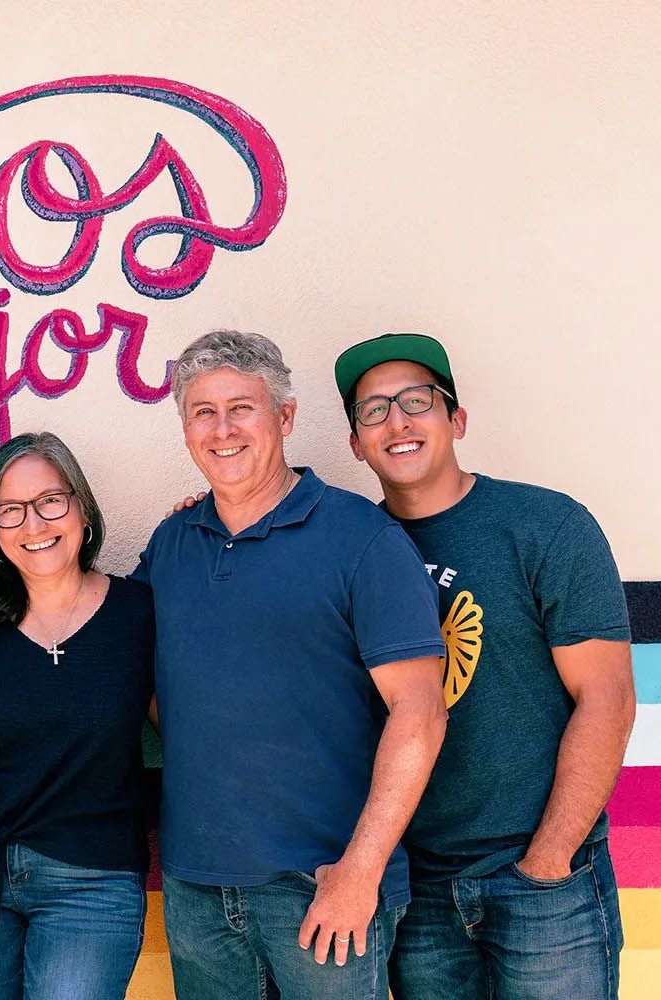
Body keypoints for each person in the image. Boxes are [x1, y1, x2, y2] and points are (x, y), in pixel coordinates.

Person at [133, 330, 448, 999]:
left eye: (242, 407)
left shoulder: (363, 539)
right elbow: (121, 654)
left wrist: (361, 872)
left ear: (285, 416)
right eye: (202, 412)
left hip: (325, 885)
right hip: (198, 886)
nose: (222, 430)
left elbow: (420, 710)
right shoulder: (172, 543)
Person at [334, 333, 635, 999]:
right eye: (373, 410)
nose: (398, 421)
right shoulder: (349, 548)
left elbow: (607, 700)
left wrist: (549, 861)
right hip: (419, 890)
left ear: (456, 419)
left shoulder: (545, 525)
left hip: (542, 881)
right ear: (355, 443)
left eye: (417, 401)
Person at [0, 432, 154, 1000]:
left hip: (93, 878)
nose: (34, 525)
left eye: (51, 501)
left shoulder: (138, 612)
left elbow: (188, 729)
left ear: (83, 509)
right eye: (10, 510)